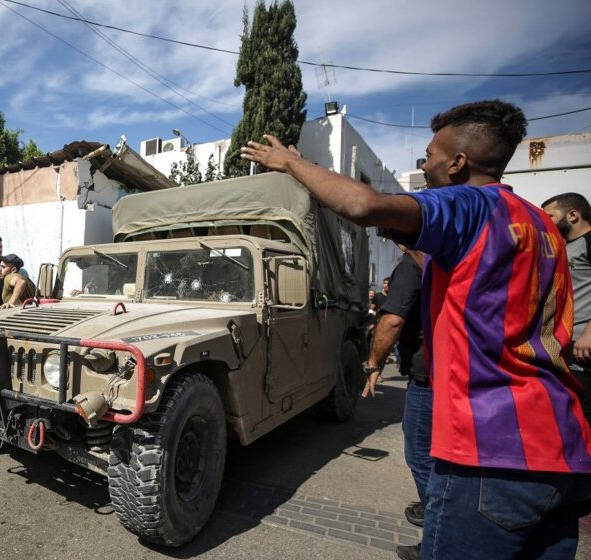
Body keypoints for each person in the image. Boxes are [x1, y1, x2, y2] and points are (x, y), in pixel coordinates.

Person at [242, 99, 591, 559]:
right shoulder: (541, 227)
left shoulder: (468, 204)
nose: (424, 165)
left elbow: (362, 204)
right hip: (562, 445)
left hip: (489, 448)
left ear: (457, 163)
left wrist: (291, 163)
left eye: (429, 155)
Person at [360, 247, 429, 560]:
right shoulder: (444, 259)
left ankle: (438, 538)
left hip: (428, 375)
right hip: (448, 369)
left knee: (422, 456)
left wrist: (373, 365)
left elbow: (392, 320)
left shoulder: (411, 264)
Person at [542, 192, 591, 424]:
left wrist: (589, 333)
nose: (545, 221)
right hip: (564, 342)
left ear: (573, 215)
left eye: (550, 216)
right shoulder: (563, 247)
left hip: (583, 344)